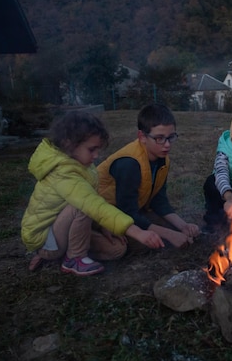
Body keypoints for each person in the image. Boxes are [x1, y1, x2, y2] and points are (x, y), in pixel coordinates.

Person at [21, 111, 164, 277]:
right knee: (82, 207)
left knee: (117, 249)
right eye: (92, 149)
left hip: (65, 229)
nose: (96, 155)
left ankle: (66, 254)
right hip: (46, 239)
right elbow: (92, 204)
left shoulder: (82, 164)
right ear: (69, 144)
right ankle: (73, 258)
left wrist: (103, 226)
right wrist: (137, 232)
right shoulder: (62, 172)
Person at [97, 103, 200, 250]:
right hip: (101, 215)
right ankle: (90, 239)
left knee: (170, 228)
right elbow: (127, 212)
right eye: (159, 138)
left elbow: (159, 200)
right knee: (119, 249)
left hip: (130, 211)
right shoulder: (129, 163)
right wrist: (169, 235)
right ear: (142, 137)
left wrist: (183, 226)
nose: (167, 145)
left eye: (171, 137)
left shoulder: (162, 159)